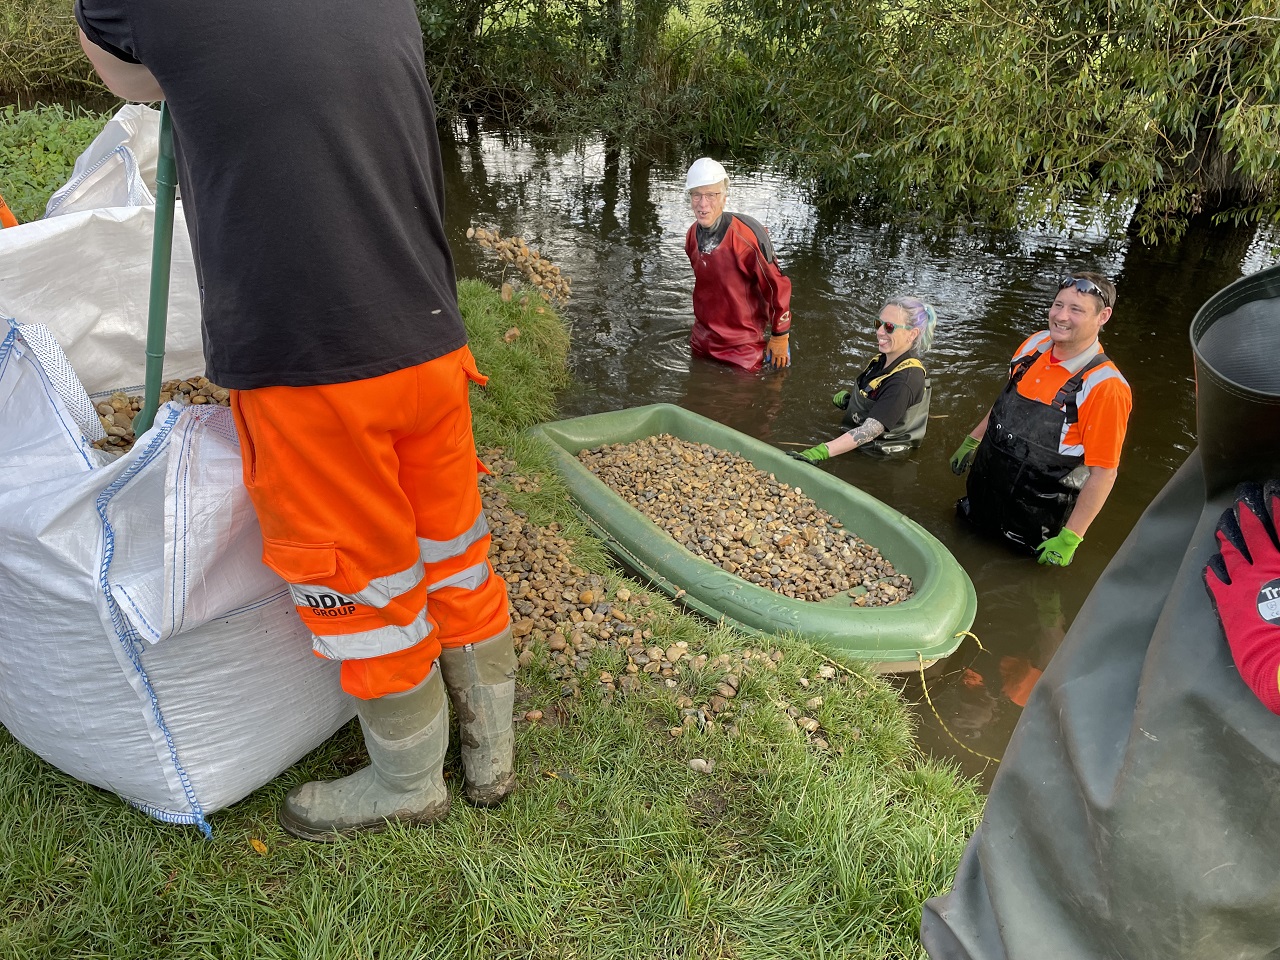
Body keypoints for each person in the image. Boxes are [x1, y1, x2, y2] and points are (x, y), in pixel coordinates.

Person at [75, 0, 515, 841]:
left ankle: (407, 778)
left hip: (312, 361)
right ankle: (491, 750)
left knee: (360, 579)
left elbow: (126, 77)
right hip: (428, 335)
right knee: (452, 548)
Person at [950, 272, 1132, 567]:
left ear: (1103, 316)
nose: (1061, 316)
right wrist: (974, 438)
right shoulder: (1033, 345)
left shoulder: (1105, 386)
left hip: (1035, 528)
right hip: (981, 502)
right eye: (1058, 305)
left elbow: (1103, 474)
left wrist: (1072, 536)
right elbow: (1003, 401)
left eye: (1076, 309)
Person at [789, 297, 936, 462]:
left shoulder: (905, 381)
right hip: (856, 444)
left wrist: (821, 451)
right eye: (878, 324)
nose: (880, 332)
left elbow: (869, 431)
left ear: (912, 334)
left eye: (889, 327)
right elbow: (879, 396)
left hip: (877, 457)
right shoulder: (884, 358)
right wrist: (851, 401)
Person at [684, 157, 793, 372]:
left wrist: (780, 335)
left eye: (711, 195)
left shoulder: (747, 237)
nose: (703, 204)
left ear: (724, 198)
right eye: (697, 195)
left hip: (743, 345)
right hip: (702, 338)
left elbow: (777, 286)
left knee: (742, 401)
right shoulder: (691, 235)